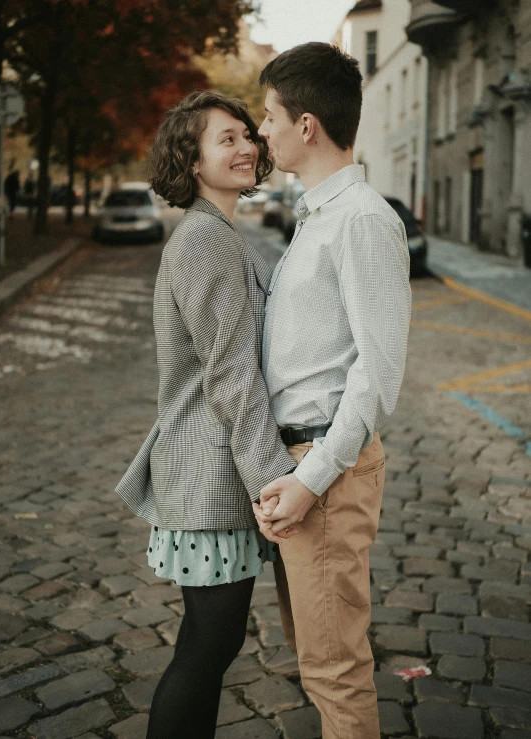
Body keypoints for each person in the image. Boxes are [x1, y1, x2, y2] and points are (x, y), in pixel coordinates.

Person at [115, 91, 297, 739]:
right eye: (226, 138)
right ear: (191, 160)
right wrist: (273, 482)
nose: (247, 145)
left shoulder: (217, 232)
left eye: (248, 133)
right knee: (206, 649)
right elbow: (231, 375)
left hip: (211, 470)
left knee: (207, 644)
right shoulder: (204, 241)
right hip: (212, 474)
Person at [252, 43, 412, 739]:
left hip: (328, 470)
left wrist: (311, 478)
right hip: (303, 464)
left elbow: (376, 378)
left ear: (307, 124)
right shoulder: (319, 214)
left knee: (335, 671)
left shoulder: (362, 220)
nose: (263, 130)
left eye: (268, 116)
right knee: (318, 662)